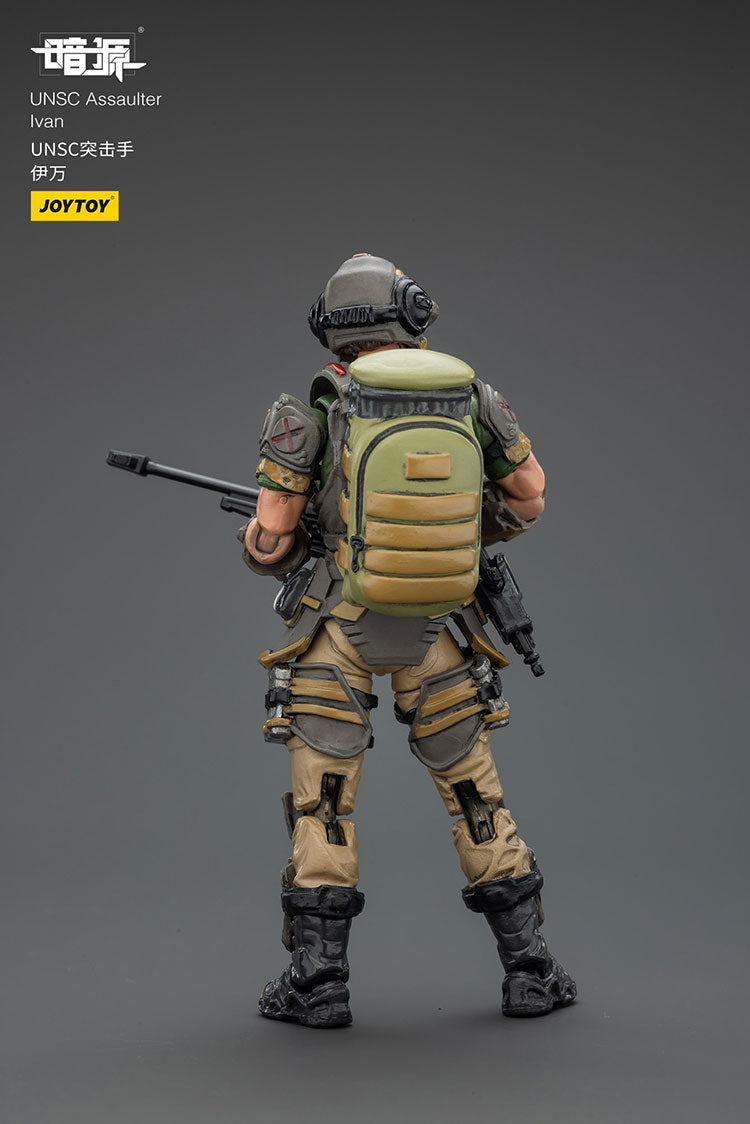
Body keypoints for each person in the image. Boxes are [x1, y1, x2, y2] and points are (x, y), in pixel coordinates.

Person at [240, 252, 576, 1028]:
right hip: (440, 627)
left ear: (331, 328)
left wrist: (267, 542)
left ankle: (318, 984)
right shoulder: (472, 396)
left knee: (324, 803)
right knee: (475, 795)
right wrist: (452, 535)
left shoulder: (308, 411)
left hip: (340, 626)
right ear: (411, 315)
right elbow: (530, 497)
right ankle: (530, 971)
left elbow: (273, 537)